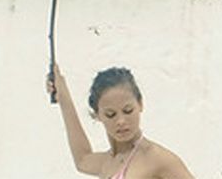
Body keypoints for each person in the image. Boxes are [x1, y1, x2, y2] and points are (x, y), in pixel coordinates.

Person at [47, 64, 195, 179]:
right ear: (98, 115)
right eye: (111, 114)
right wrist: (63, 95)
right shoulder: (107, 162)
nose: (121, 121)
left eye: (128, 110)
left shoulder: (157, 158)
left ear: (140, 104)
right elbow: (82, 159)